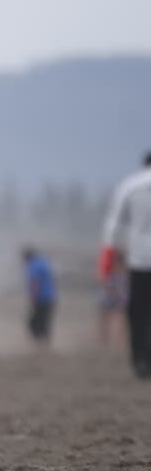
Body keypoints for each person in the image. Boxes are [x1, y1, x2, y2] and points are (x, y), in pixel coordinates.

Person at [99, 151, 151, 378]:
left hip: (139, 261)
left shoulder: (130, 186)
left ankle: (140, 359)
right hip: (139, 259)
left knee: (138, 312)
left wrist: (105, 264)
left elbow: (112, 226)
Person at [21, 246, 56, 349]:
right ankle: (47, 343)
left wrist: (32, 298)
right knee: (45, 321)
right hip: (50, 296)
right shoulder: (43, 262)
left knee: (34, 321)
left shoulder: (33, 265)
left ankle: (38, 344)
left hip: (41, 298)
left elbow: (35, 283)